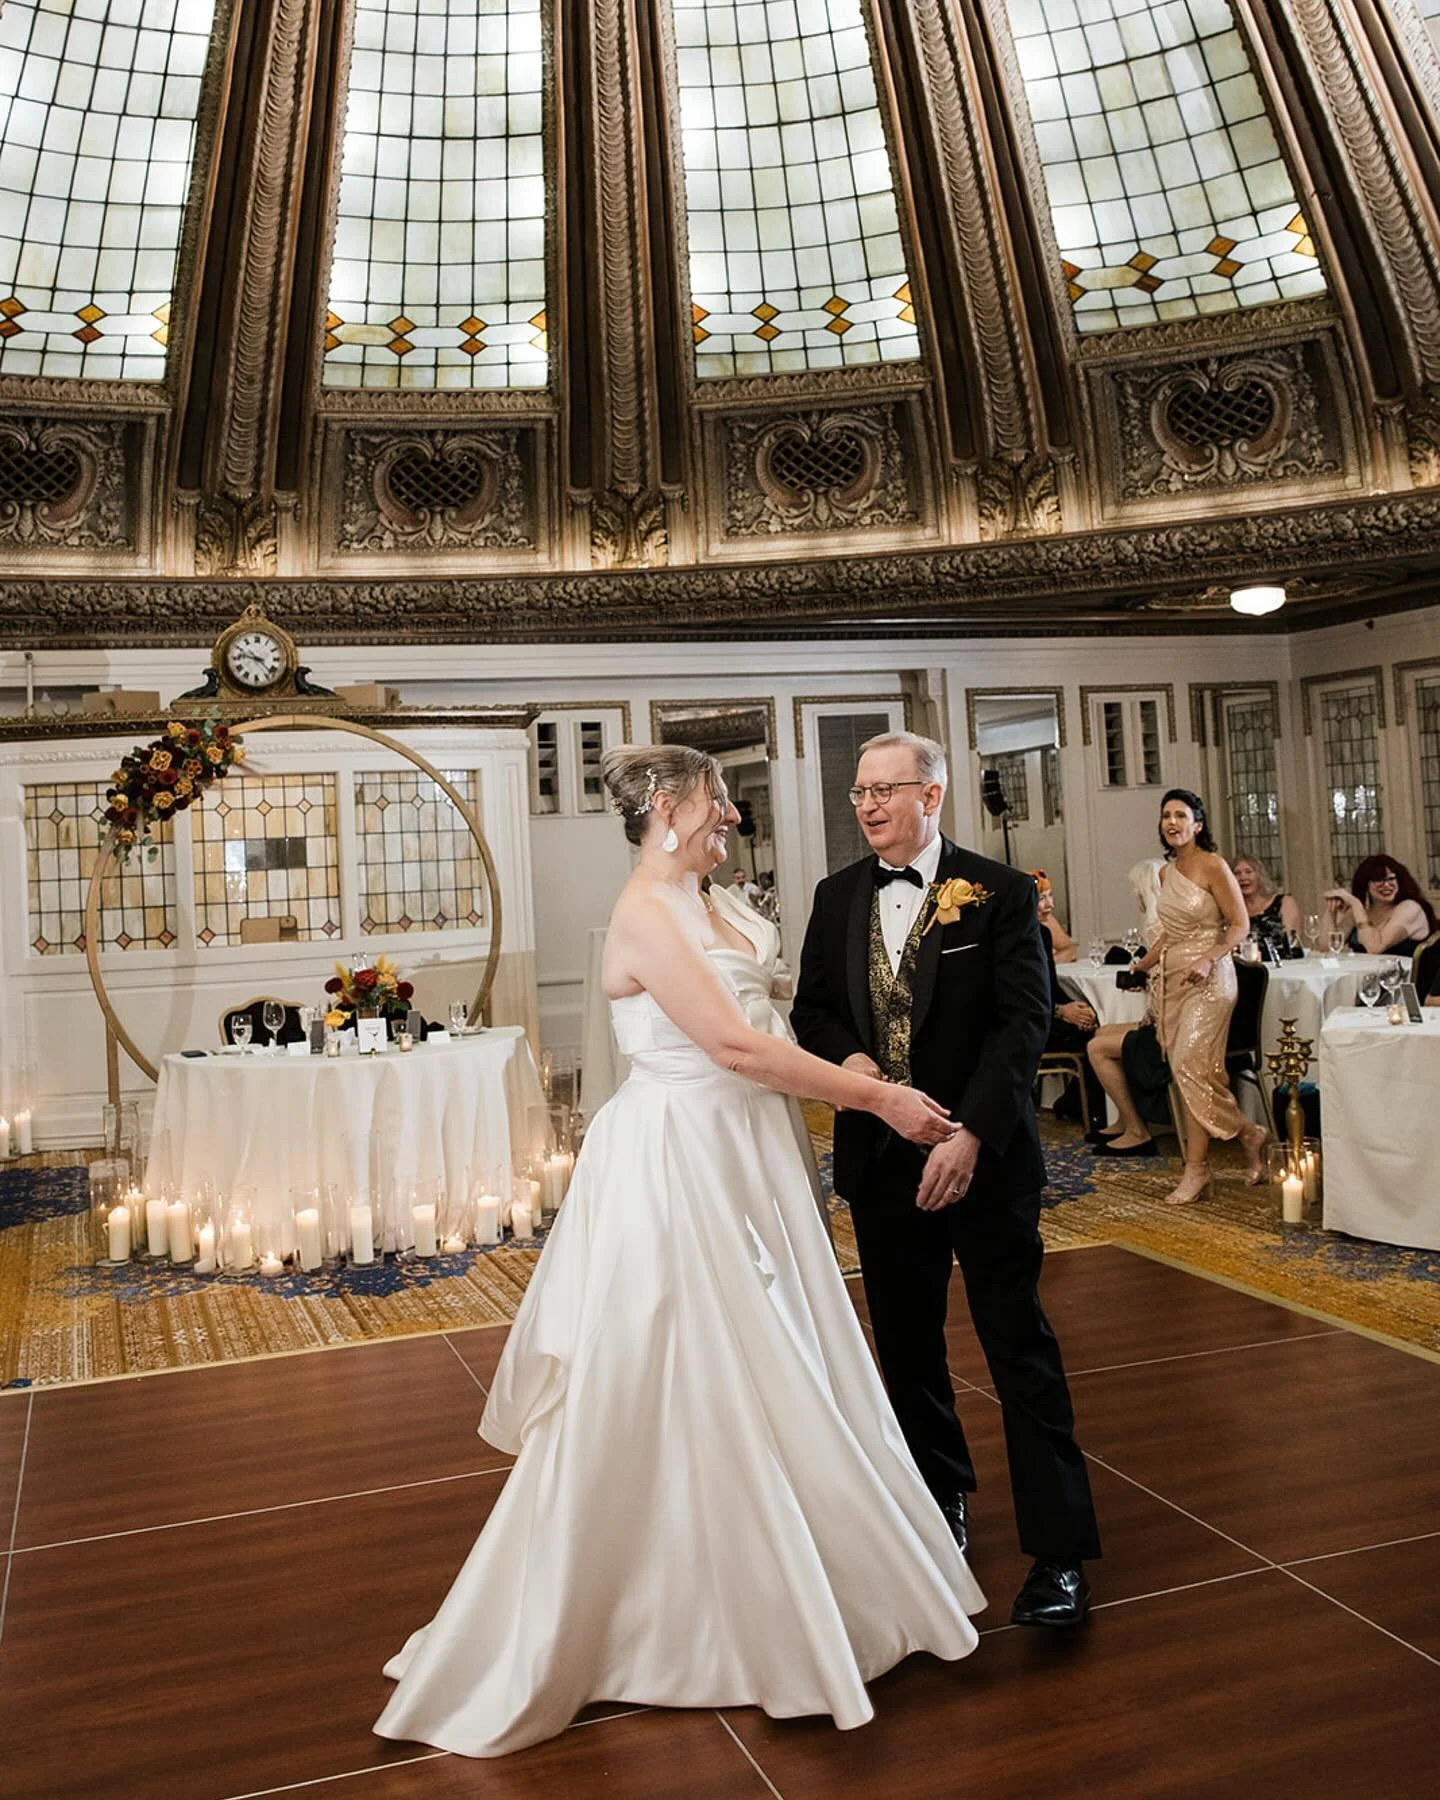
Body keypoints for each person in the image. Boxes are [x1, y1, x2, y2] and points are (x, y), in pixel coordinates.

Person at [375, 745, 983, 1759]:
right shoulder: (646, 915)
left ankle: (797, 1579)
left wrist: (870, 1053)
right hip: (679, 1155)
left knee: (777, 1355)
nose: (732, 820)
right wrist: (876, 1098)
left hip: (753, 1151)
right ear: (667, 806)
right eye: (718, 804)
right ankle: (661, 1611)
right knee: (677, 1366)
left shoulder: (717, 900)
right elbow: (738, 1047)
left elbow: (780, 1014)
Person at [792, 731, 1100, 1630]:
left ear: (933, 796)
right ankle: (941, 1508)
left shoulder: (1002, 893)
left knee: (1018, 1346)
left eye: (886, 790)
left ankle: (1060, 1551)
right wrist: (855, 1065)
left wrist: (969, 1135)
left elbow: (1022, 1023)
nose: (869, 806)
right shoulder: (837, 896)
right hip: (883, 1165)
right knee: (910, 1351)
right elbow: (815, 1006)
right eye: (859, 793)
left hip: (984, 1163)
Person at [1132, 790, 1269, 1205]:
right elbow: (1171, 933)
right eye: (1166, 816)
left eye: (1181, 815)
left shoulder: (1213, 865)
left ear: (1198, 824)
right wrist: (1143, 964)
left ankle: (1201, 1166)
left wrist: (1210, 959)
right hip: (1174, 979)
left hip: (1211, 981)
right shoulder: (1165, 873)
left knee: (1189, 1064)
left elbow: (1240, 924)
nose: (1172, 822)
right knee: (1189, 1072)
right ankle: (1245, 1137)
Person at [1324, 855, 1437, 957]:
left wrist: (1355, 903)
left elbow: (1375, 948)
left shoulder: (1410, 908)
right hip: (1366, 975)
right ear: (1365, 884)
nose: (1387, 885)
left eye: (1391, 879)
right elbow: (1326, 948)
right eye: (1379, 880)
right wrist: (1331, 910)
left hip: (1403, 978)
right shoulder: (1361, 911)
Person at [1232, 855, 1301, 953]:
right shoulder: (1232, 909)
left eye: (1248, 872)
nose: (1242, 877)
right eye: (1237, 873)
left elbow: (1291, 941)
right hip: (1245, 964)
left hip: (1281, 963)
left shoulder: (1284, 902)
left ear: (1260, 876)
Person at [1033, 870, 1078, 962]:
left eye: (1050, 895)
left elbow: (1070, 950)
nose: (1050, 904)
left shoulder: (1047, 920)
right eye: (1041, 898)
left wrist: (1046, 964)